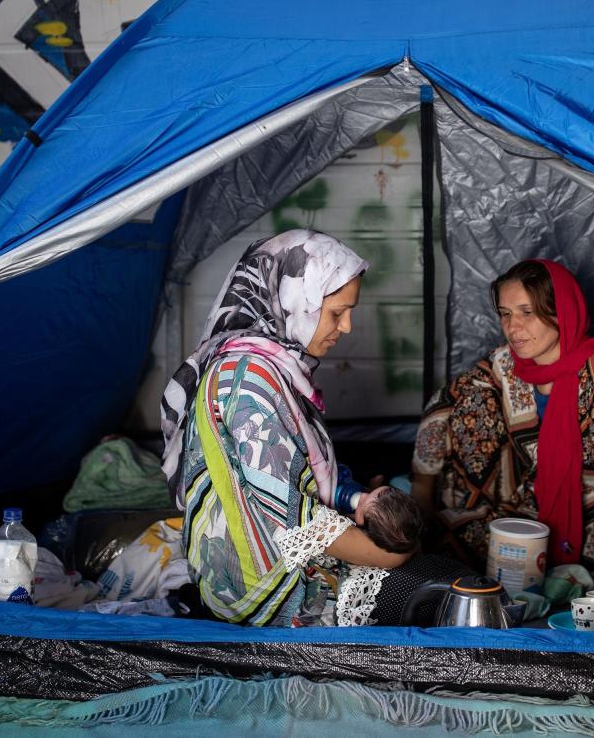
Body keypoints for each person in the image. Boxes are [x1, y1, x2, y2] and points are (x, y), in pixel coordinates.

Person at [160, 230, 415, 627]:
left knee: (433, 586)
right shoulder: (247, 378)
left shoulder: (276, 368)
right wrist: (389, 557)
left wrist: (355, 501)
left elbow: (299, 475)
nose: (346, 327)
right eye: (336, 313)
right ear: (296, 303)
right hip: (257, 588)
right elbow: (293, 518)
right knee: (431, 590)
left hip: (272, 560)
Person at [411, 259, 594, 586]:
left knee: (592, 583)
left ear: (560, 310)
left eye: (527, 312)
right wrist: (421, 491)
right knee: (440, 531)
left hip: (589, 516)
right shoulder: (508, 363)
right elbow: (444, 404)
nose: (513, 327)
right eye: (505, 314)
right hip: (528, 507)